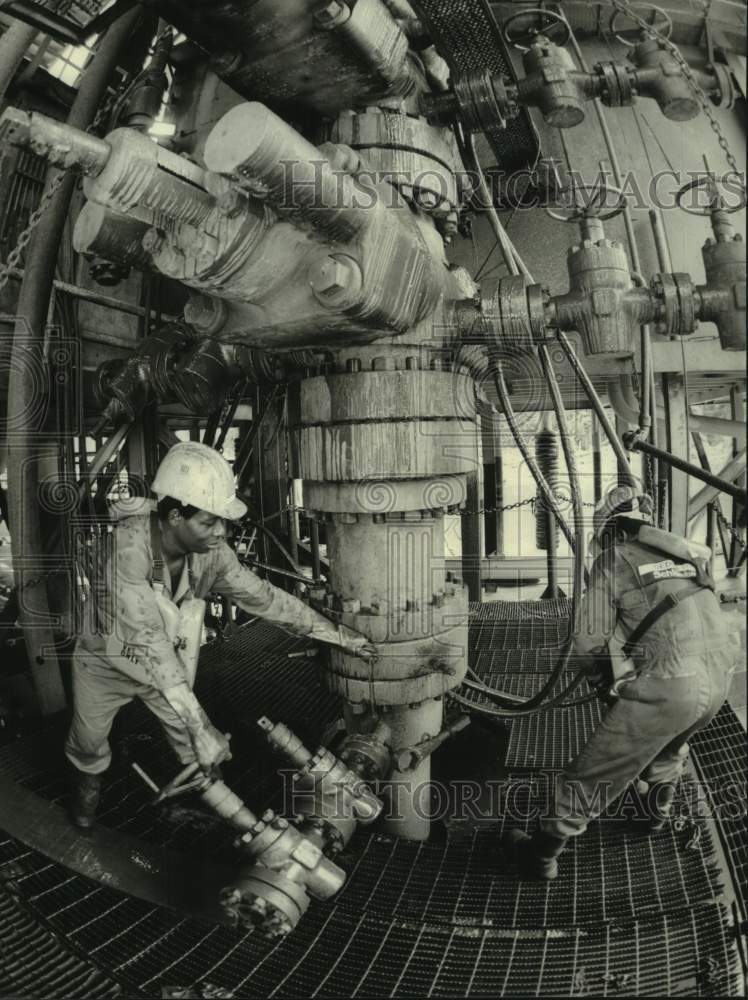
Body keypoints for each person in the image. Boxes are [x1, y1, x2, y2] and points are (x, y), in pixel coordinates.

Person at [65, 441, 376, 829]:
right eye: (209, 522)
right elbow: (146, 636)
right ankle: (83, 814)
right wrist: (200, 724)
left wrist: (335, 634)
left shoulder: (212, 554)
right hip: (104, 665)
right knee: (89, 745)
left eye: (222, 522)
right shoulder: (126, 550)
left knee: (201, 751)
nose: (221, 532)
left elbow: (263, 598)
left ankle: (220, 817)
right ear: (175, 516)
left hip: (163, 676)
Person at [504, 484, 736, 880]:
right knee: (669, 748)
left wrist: (601, 683)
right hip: (722, 674)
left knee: (593, 772)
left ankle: (541, 856)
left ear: (610, 531)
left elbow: (588, 639)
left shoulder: (615, 559)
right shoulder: (686, 554)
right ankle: (654, 817)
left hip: (671, 683)